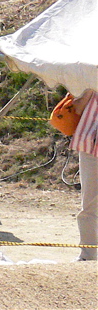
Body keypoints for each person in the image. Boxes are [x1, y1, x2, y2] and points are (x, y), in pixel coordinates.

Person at [70, 90, 97, 261]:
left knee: (89, 205)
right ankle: (87, 255)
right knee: (89, 204)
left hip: (90, 145)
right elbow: (78, 109)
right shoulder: (89, 73)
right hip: (91, 146)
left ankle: (87, 255)